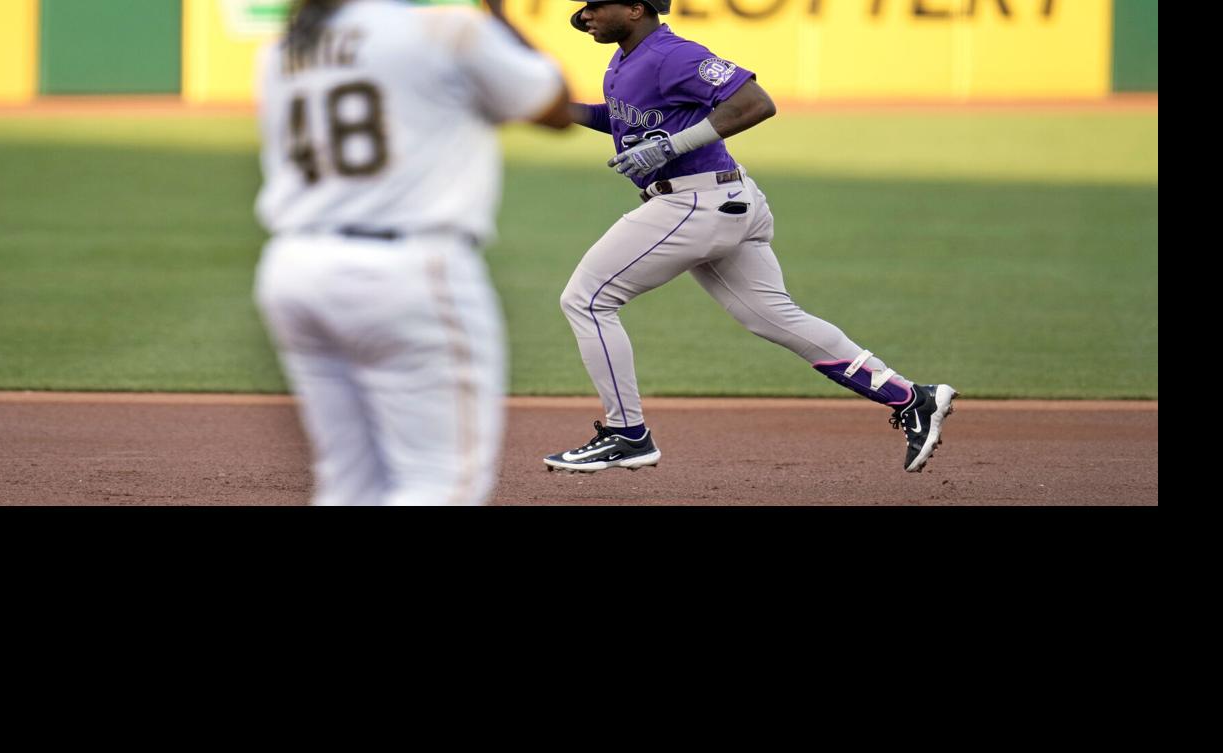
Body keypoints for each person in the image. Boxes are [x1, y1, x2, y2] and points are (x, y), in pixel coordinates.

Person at [541, 0, 957, 474]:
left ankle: (627, 435)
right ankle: (912, 398)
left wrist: (672, 146)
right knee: (776, 318)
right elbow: (621, 119)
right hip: (723, 200)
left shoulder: (672, 54)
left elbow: (756, 103)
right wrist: (556, 108)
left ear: (636, 9)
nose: (585, 14)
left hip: (694, 203)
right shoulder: (626, 59)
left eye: (597, 5)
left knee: (588, 299)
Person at [253, 0, 570, 504]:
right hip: (406, 271)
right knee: (442, 484)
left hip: (294, 266)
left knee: (349, 484)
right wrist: (501, 15)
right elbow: (555, 108)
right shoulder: (447, 31)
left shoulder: (287, 46)